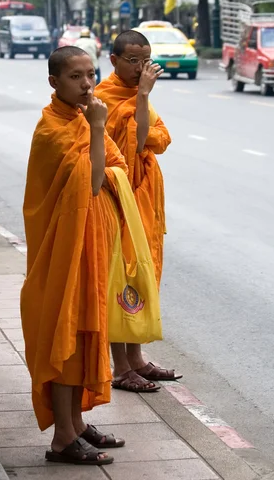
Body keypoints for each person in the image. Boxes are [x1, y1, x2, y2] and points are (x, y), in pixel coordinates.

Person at [21, 46, 128, 465]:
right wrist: (98, 129)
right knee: (65, 336)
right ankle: (62, 437)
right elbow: (96, 181)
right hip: (62, 254)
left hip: (88, 245)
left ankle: (78, 422)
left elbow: (116, 166)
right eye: (75, 77)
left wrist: (96, 131)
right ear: (54, 83)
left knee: (85, 331)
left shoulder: (80, 119)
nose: (87, 84)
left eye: (90, 74)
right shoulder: (52, 130)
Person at [95, 30, 182, 392]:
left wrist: (142, 97)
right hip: (118, 201)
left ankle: (136, 359)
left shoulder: (135, 96)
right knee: (122, 280)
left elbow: (160, 139)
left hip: (143, 203)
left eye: (144, 61)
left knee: (142, 278)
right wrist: (144, 95)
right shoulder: (103, 98)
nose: (140, 68)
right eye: (132, 60)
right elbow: (140, 140)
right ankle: (119, 368)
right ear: (113, 61)